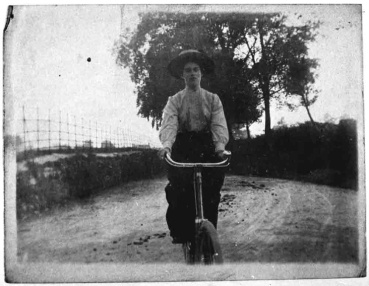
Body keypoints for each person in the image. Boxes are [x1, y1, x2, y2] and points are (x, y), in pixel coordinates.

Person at [158, 49, 229, 244]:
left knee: (212, 190)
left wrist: (220, 147)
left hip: (207, 147)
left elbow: (218, 124)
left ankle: (209, 233)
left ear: (201, 73)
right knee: (178, 188)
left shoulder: (212, 99)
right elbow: (170, 124)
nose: (192, 74)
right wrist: (167, 146)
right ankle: (181, 231)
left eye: (195, 69)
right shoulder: (174, 101)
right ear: (182, 75)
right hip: (183, 148)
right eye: (187, 70)